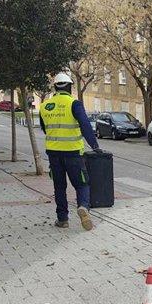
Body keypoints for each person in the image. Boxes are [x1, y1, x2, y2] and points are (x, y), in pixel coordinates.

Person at [39, 73, 101, 230]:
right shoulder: (74, 104)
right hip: (73, 153)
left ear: (55, 87)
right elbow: (85, 125)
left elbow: (45, 128)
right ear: (69, 86)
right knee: (82, 184)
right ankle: (83, 207)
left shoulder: (44, 106)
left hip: (53, 153)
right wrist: (94, 146)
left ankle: (62, 219)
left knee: (59, 187)